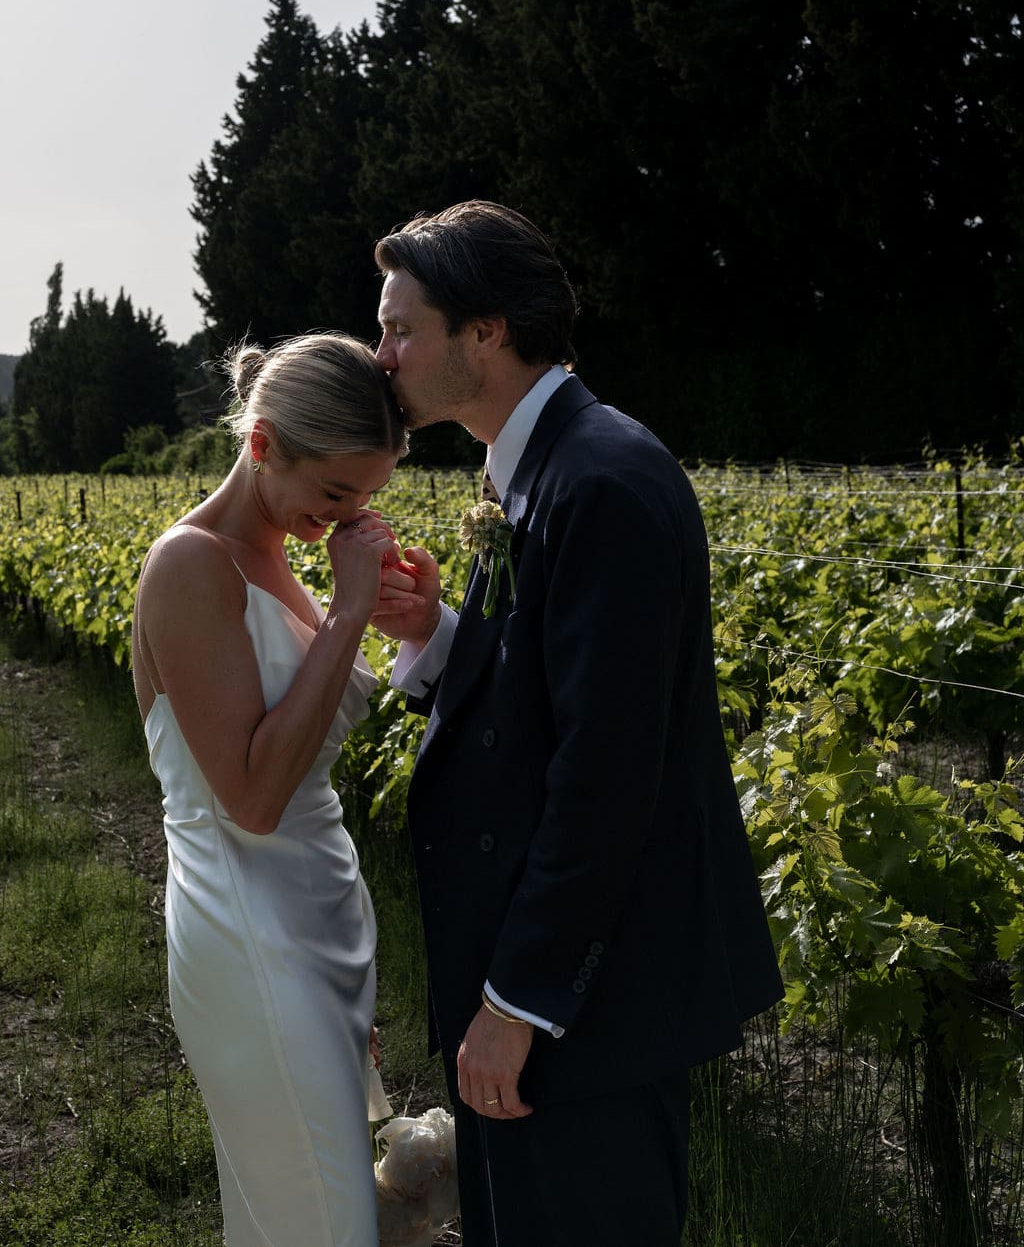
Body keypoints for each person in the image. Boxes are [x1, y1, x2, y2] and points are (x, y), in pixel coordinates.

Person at [371, 201, 784, 1247]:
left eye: (401, 328)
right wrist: (440, 635)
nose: (383, 355)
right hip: (558, 992)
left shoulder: (598, 481)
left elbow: (607, 775)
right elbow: (546, 698)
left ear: (486, 333)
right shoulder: (541, 466)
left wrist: (517, 1005)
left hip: (594, 1001)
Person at [131, 332, 410, 1247]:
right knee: (323, 1221)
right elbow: (251, 799)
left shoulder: (285, 559)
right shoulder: (190, 566)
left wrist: (394, 616)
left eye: (366, 497)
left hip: (320, 917)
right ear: (260, 444)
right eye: (334, 492)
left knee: (307, 1209)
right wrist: (351, 613)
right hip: (248, 928)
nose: (347, 517)